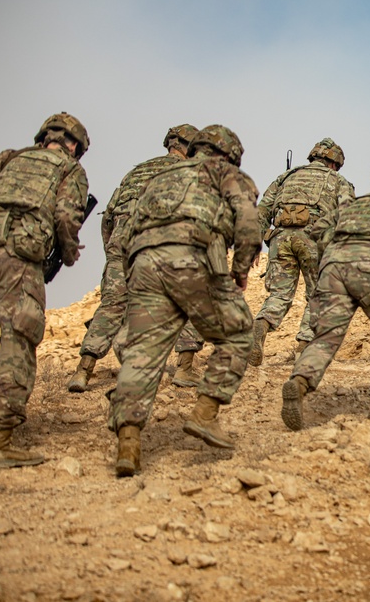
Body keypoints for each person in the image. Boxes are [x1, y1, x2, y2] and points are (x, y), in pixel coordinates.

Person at [106, 125, 260, 477]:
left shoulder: (158, 177)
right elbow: (249, 223)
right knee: (237, 333)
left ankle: (128, 442)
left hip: (145, 263)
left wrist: (134, 268)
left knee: (143, 351)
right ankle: (205, 415)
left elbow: (123, 233)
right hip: (193, 258)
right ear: (229, 154)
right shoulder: (227, 174)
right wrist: (240, 270)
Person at [0, 112, 90, 466]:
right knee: (17, 340)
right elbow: (66, 217)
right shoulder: (70, 170)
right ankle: (0, 441)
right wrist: (69, 252)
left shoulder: (10, 158)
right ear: (73, 145)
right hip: (20, 255)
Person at [281, 156, 370, 429]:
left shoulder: (353, 204)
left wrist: (335, 251)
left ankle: (299, 383)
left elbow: (318, 229)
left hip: (332, 271)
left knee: (325, 338)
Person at [68, 124, 200, 392]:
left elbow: (109, 216)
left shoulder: (137, 171)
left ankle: (82, 372)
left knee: (113, 306)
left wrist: (114, 254)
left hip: (122, 244)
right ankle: (185, 370)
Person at [250, 138, 355, 367]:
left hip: (280, 239)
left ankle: (262, 323)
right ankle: (304, 347)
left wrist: (255, 243)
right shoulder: (338, 181)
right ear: (334, 163)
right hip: (314, 240)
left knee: (279, 294)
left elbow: (262, 210)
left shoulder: (285, 177)